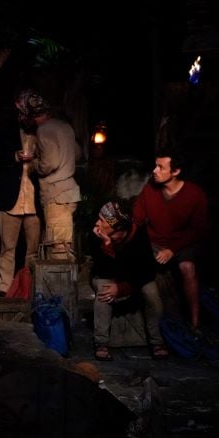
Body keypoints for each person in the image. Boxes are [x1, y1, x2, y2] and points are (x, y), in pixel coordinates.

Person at [133, 148, 208, 333]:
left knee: (187, 267)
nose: (154, 171)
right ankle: (147, 321)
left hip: (182, 242)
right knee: (138, 261)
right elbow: (136, 219)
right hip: (155, 241)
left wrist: (172, 249)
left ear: (176, 171)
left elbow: (198, 230)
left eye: (161, 167)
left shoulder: (194, 194)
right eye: (155, 166)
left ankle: (195, 323)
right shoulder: (150, 189)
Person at [90, 200, 169, 361]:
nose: (97, 223)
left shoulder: (139, 235)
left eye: (102, 220)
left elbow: (147, 272)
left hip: (132, 279)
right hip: (106, 275)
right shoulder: (96, 234)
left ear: (118, 228)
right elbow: (101, 271)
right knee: (105, 291)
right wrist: (106, 245)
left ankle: (157, 341)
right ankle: (101, 342)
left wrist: (122, 288)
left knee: (152, 294)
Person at [15, 89, 80, 260]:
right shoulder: (64, 126)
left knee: (59, 250)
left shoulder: (44, 130)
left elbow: (49, 164)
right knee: (63, 244)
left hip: (56, 194)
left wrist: (33, 162)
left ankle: (61, 279)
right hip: (69, 192)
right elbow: (77, 153)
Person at [0, 109, 41, 294]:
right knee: (7, 248)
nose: (30, 120)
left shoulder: (42, 130)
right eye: (27, 115)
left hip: (33, 200)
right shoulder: (6, 128)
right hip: (10, 197)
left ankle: (29, 289)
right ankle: (6, 290)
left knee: (33, 251)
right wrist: (14, 156)